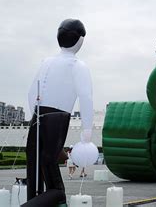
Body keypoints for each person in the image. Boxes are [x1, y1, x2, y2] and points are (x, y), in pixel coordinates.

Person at [23, 19, 94, 206]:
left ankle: (33, 200)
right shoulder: (78, 66)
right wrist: (87, 130)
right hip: (58, 117)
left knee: (34, 167)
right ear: (80, 41)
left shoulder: (46, 62)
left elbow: (31, 93)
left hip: (37, 115)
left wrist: (36, 115)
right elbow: (86, 97)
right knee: (51, 169)